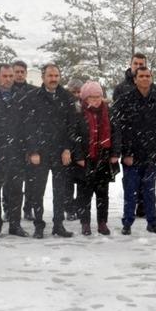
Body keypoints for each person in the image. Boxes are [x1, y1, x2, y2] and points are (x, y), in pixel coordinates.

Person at [22, 64, 78, 239]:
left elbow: (72, 126)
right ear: (43, 77)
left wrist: (68, 148)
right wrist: (33, 151)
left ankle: (58, 224)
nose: (53, 79)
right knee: (37, 191)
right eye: (50, 76)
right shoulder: (33, 97)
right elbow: (28, 126)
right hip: (40, 152)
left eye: (56, 75)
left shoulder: (67, 97)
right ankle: (39, 225)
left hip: (61, 151)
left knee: (60, 191)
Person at [112, 67, 156, 235]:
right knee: (131, 191)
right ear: (135, 79)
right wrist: (125, 152)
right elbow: (119, 128)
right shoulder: (125, 99)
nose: (145, 79)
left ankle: (152, 222)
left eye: (148, 76)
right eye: (141, 76)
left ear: (151, 78)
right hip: (132, 155)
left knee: (150, 192)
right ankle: (127, 223)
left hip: (152, 154)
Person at [0, 64, 29, 237]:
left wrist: (27, 148)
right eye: (5, 76)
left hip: (17, 152)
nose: (9, 79)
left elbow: (27, 125)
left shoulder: (22, 96)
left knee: (16, 190)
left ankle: (15, 224)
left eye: (11, 76)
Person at [71, 81, 119, 236]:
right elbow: (74, 136)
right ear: (85, 98)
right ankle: (85, 223)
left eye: (99, 96)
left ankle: (102, 222)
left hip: (104, 159)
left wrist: (115, 153)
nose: (96, 99)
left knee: (102, 194)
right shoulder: (78, 113)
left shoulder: (108, 112)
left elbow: (116, 134)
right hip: (85, 159)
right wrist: (78, 156)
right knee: (84, 194)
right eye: (92, 97)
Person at [112, 53, 156, 218]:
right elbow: (117, 119)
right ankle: (131, 208)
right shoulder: (121, 89)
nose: (138, 66)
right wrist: (122, 147)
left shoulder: (153, 89)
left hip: (149, 144)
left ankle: (143, 206)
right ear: (130, 65)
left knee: (148, 181)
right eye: (135, 63)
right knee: (130, 181)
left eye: (141, 63)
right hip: (128, 143)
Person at [11, 60, 38, 221]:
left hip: (31, 141)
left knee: (31, 180)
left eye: (22, 71)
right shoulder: (6, 91)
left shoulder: (34, 92)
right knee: (11, 181)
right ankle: (9, 208)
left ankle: (28, 208)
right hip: (12, 142)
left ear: (26, 73)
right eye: (17, 72)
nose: (19, 74)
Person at [64, 78, 85, 221]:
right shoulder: (64, 104)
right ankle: (69, 209)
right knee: (68, 183)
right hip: (67, 147)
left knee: (82, 181)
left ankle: (79, 207)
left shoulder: (85, 105)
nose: (77, 94)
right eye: (74, 91)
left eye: (79, 91)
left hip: (82, 149)